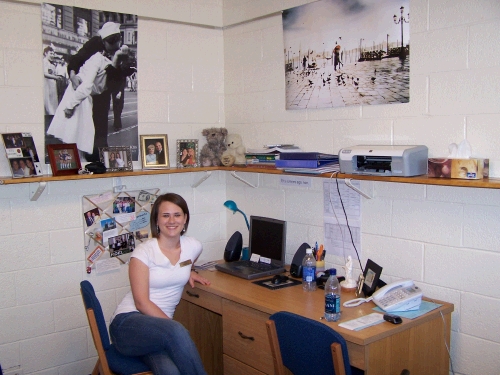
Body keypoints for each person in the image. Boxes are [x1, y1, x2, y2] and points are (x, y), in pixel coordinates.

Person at [109, 193, 210, 374]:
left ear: (185, 219)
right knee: (176, 332)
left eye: (177, 215)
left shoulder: (193, 246)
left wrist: (190, 272)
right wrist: (171, 329)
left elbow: (188, 262)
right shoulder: (143, 252)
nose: (172, 220)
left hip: (159, 335)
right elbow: (141, 303)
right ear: (156, 219)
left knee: (170, 372)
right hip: (128, 324)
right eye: (165, 215)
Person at [66, 22, 133, 162]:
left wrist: (118, 61)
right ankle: (85, 159)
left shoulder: (120, 52)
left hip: (103, 92)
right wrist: (72, 75)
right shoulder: (94, 46)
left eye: (115, 48)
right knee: (82, 128)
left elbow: (118, 77)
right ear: (104, 42)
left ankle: (100, 159)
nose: (111, 51)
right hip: (86, 91)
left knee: (100, 129)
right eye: (110, 48)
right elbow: (77, 59)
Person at [47, 42, 128, 156]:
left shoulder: (111, 67)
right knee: (73, 135)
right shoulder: (97, 59)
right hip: (79, 96)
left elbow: (99, 87)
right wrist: (70, 105)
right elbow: (85, 86)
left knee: (78, 137)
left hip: (83, 97)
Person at [43, 46, 64, 132]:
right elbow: (44, 73)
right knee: (48, 107)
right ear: (45, 53)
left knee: (52, 107)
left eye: (53, 53)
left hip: (52, 87)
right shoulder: (44, 62)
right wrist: (55, 77)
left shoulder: (51, 64)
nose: (52, 55)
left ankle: (51, 129)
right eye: (50, 53)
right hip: (47, 86)